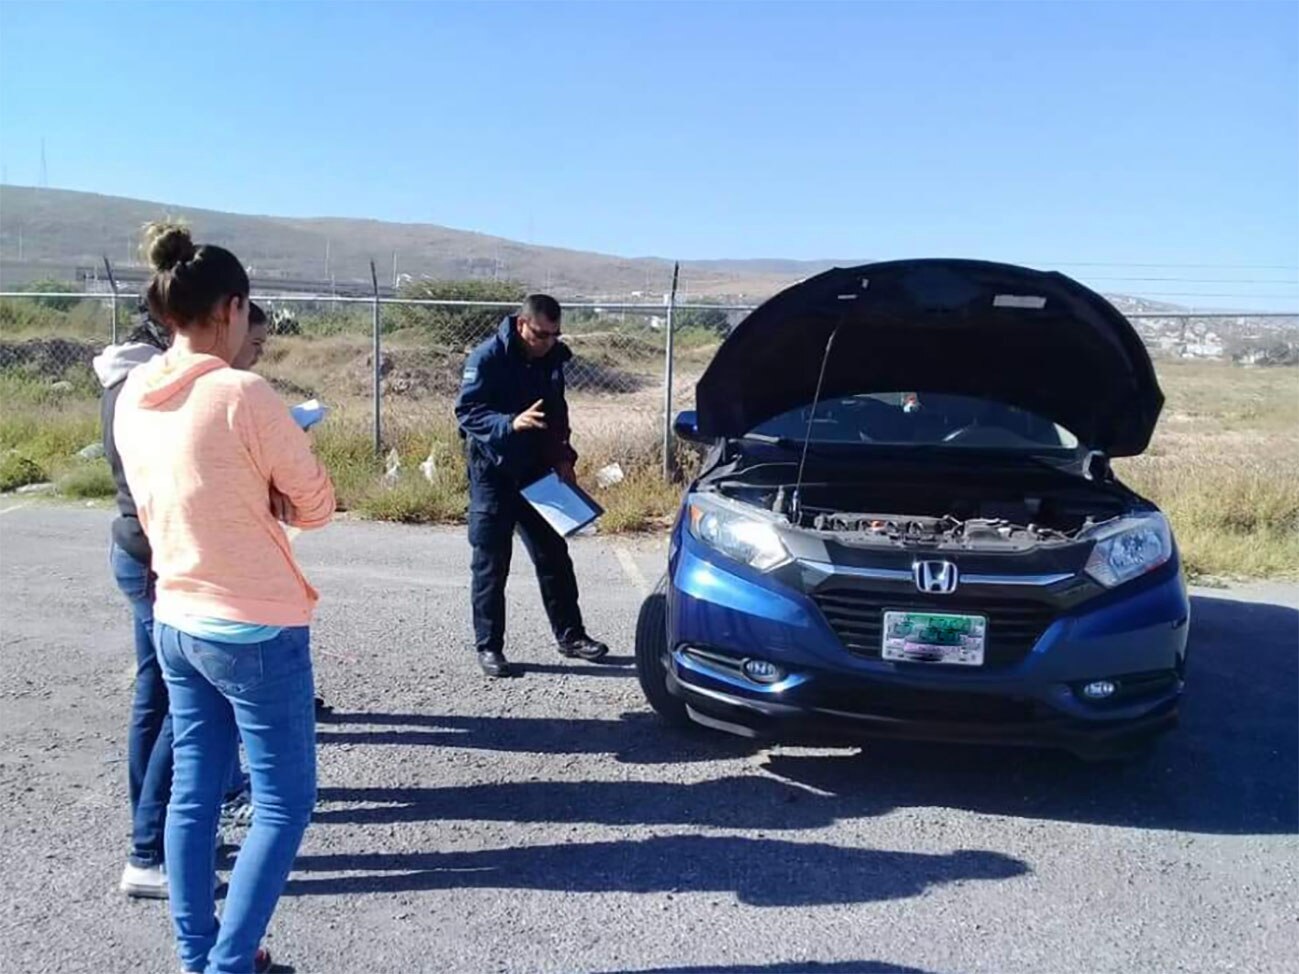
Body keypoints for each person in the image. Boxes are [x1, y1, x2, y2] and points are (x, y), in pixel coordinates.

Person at [115, 223, 334, 974]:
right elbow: (315, 503)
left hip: (175, 613)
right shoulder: (243, 392)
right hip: (253, 626)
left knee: (193, 795)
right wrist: (269, 494)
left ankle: (197, 952)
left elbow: (169, 495)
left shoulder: (134, 390)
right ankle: (230, 964)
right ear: (233, 306)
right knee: (282, 804)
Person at [97, 304, 268, 898]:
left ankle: (163, 833)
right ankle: (149, 849)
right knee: (183, 708)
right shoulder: (145, 386)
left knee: (162, 696)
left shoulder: (144, 381)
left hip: (152, 552)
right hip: (158, 557)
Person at [454, 294, 610, 678]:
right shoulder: (487, 357)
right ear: (522, 324)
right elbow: (467, 412)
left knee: (554, 557)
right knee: (491, 565)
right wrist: (510, 424)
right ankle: (490, 648)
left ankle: (571, 637)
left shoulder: (553, 357)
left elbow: (557, 413)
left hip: (539, 474)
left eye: (555, 335)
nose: (548, 342)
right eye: (541, 334)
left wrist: (563, 459)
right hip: (493, 473)